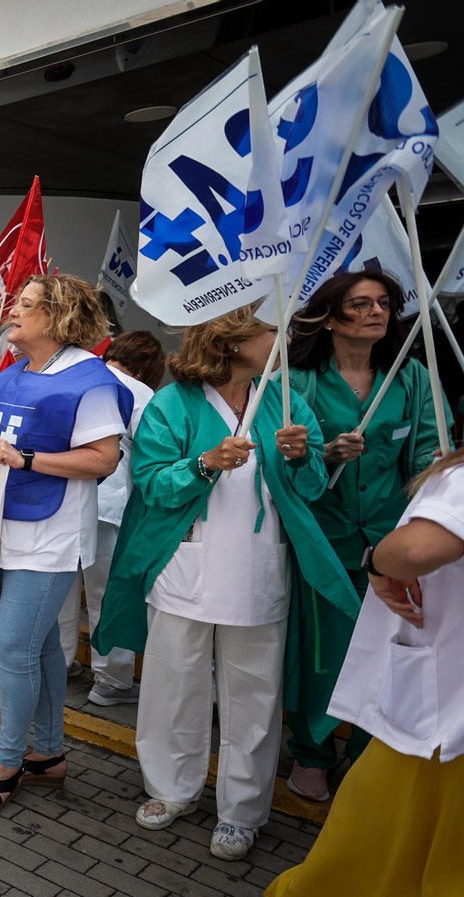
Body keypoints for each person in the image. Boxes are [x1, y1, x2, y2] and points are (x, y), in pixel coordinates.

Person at [90, 305, 350, 861]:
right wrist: (204, 464)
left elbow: (311, 490)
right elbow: (151, 484)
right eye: (271, 329)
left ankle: (242, 812)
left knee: (256, 695)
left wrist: (302, 459)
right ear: (231, 340)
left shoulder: (284, 401)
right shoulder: (173, 403)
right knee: (172, 685)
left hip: (260, 573)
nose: (283, 338)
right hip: (182, 569)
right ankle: (170, 788)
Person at [0, 274, 132, 816]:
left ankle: (7, 762)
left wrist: (27, 460)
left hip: (52, 535)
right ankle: (47, 754)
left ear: (58, 317)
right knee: (42, 646)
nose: (12, 311)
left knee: (14, 647)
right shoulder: (8, 374)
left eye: (25, 304)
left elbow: (103, 459)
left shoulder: (89, 379)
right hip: (6, 528)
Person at [267, 445, 464, 897]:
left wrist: (377, 561)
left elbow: (417, 548)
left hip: (441, 726)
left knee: (366, 852)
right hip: (447, 713)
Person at [279, 270, 445, 803]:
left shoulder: (411, 376)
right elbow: (281, 465)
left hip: (391, 544)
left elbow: (429, 458)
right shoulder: (297, 381)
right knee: (323, 653)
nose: (376, 312)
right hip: (322, 543)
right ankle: (311, 752)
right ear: (330, 319)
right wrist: (322, 454)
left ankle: (366, 755)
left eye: (384, 303)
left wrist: (426, 526)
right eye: (360, 304)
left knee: (386, 653)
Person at [56, 329, 163, 702]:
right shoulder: (141, 394)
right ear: (146, 368)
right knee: (107, 593)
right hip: (110, 504)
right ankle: (112, 680)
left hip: (64, 499)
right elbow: (151, 455)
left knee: (62, 589)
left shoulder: (77, 377)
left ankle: (60, 662)